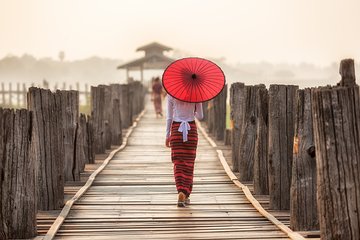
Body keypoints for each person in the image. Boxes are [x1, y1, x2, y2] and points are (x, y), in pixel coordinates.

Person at [165, 95, 203, 207]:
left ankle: (181, 192)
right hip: (191, 131)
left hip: (176, 131)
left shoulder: (171, 94)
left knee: (178, 163)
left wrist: (167, 135)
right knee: (189, 164)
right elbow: (200, 116)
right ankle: (186, 193)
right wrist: (192, 112)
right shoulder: (196, 94)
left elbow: (169, 117)